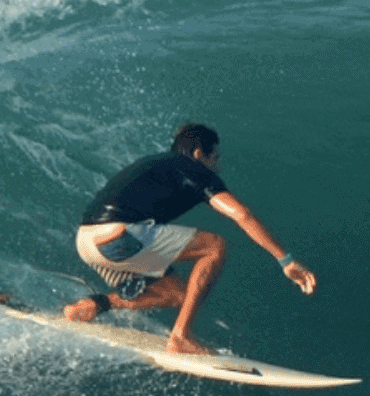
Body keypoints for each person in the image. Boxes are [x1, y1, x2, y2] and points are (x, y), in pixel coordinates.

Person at [63, 123, 318, 355]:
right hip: (120, 237)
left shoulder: (155, 164)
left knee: (176, 295)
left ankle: (95, 305)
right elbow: (242, 214)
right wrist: (285, 260)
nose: (217, 166)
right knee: (214, 246)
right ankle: (180, 337)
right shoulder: (193, 169)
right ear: (198, 154)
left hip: (88, 242)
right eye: (215, 158)